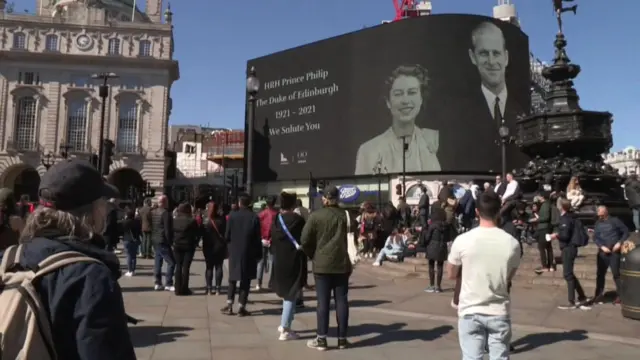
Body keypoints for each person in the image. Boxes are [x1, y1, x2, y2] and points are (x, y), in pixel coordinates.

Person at [1, 158, 136, 359]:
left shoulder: (8, 257)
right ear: (93, 210)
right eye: (103, 203)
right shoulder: (91, 276)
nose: (106, 210)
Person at [447, 191, 521, 360]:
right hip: (498, 310)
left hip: (470, 309)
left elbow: (451, 274)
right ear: (499, 211)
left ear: (477, 212)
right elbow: (509, 276)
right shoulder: (512, 243)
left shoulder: (463, 240)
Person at [354, 64, 440, 175]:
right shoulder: (368, 151)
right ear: (388, 102)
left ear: (421, 99)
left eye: (412, 93)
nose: (405, 100)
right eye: (398, 94)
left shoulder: (433, 141)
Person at [301, 185, 353, 351]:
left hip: (322, 264)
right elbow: (354, 237)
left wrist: (313, 254)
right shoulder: (346, 215)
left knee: (322, 302)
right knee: (342, 301)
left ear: (325, 198)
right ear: (337, 198)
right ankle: (342, 339)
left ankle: (321, 339)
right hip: (342, 263)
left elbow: (304, 240)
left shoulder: (316, 216)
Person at [271, 192, 307, 340]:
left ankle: (286, 323)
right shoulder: (298, 220)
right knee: (291, 294)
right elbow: (305, 237)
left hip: (279, 259)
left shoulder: (276, 219)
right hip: (294, 260)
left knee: (288, 293)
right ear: (293, 204)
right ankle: (285, 328)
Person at [221, 194, 262, 316]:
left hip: (234, 251)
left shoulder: (232, 216)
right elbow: (257, 237)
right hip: (249, 251)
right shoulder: (254, 217)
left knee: (232, 279)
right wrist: (258, 254)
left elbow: (227, 235)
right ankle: (241, 307)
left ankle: (229, 305)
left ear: (239, 203)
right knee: (246, 280)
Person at [548, 199, 590, 309]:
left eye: (558, 204)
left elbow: (565, 236)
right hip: (570, 248)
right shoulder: (571, 217)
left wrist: (555, 236)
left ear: (561, 207)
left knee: (567, 274)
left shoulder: (565, 219)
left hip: (568, 248)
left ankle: (572, 301)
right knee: (569, 273)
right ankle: (582, 296)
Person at [593, 205, 629, 305]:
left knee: (616, 274)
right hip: (603, 251)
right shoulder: (597, 223)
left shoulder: (615, 221)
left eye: (601, 215)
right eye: (598, 215)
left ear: (605, 212)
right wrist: (601, 246)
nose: (599, 217)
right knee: (600, 274)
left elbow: (625, 232)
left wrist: (619, 243)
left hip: (614, 251)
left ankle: (621, 296)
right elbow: (595, 237)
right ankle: (598, 295)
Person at [423, 206, 454, 293]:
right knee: (440, 266)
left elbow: (427, 237)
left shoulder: (432, 226)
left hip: (432, 246)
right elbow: (448, 238)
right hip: (442, 247)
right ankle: (438, 287)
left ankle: (432, 285)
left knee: (431, 266)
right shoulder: (446, 226)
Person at [172, 203, 200, 295]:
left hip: (177, 245)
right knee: (186, 267)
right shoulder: (191, 221)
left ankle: (177, 288)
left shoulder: (175, 220)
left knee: (178, 266)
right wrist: (196, 243)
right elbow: (197, 233)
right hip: (188, 245)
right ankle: (184, 288)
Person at [151, 195, 175, 291]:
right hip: (163, 240)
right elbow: (167, 230)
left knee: (158, 261)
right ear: (165, 202)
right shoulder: (166, 213)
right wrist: (170, 242)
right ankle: (168, 283)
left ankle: (157, 282)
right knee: (171, 262)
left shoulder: (153, 212)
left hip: (155, 239)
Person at [202, 201, 227, 295]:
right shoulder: (221, 219)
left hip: (208, 246)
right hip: (219, 246)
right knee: (219, 267)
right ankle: (218, 289)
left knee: (209, 267)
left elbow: (201, 232)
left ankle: (209, 288)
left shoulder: (206, 220)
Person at [257, 195, 277, 291]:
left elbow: (257, 226)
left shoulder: (261, 214)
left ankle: (258, 283)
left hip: (262, 239)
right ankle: (270, 283)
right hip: (272, 240)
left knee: (260, 261)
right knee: (272, 261)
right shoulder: (277, 214)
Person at [533, 192, 555, 274]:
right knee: (548, 247)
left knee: (542, 247)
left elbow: (545, 217)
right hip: (546, 228)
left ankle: (545, 266)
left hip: (544, 229)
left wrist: (537, 219)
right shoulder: (546, 204)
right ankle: (551, 266)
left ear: (541, 196)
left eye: (538, 196)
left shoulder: (545, 205)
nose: (537, 197)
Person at [121, 208, 141, 277]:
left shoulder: (125, 222)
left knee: (129, 255)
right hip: (135, 240)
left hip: (127, 239)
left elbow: (121, 230)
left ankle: (130, 270)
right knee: (134, 256)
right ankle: (133, 270)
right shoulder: (137, 222)